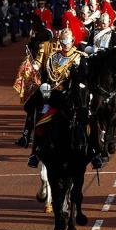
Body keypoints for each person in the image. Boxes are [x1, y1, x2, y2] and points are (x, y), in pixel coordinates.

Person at [26, 13, 91, 168]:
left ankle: (93, 150)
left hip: (72, 97)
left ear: (72, 41)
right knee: (41, 119)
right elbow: (48, 76)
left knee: (88, 118)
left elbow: (85, 77)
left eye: (67, 42)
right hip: (55, 96)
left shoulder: (79, 57)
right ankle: (36, 151)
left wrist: (80, 86)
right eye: (62, 42)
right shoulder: (53, 58)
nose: (64, 45)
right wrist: (44, 85)